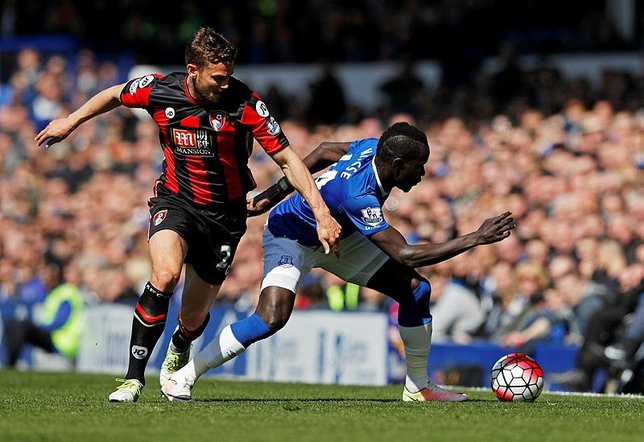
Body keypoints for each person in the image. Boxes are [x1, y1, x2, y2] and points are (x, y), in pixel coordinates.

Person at [35, 27, 341, 403]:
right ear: (192, 70)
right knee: (163, 276)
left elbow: (288, 160)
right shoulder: (160, 89)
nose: (226, 84)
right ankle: (132, 379)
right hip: (176, 201)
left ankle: (180, 344)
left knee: (193, 318)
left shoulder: (245, 102)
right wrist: (72, 120)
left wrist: (321, 213)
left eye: (229, 75)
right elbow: (115, 93)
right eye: (218, 77)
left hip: (225, 217)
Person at [162, 122, 516, 402]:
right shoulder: (358, 194)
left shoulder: (371, 147)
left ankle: (419, 387)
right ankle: (185, 375)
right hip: (291, 235)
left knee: (415, 290)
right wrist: (476, 238)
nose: (421, 175)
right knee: (272, 317)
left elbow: (323, 152)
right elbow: (406, 253)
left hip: (339, 239)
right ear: (397, 165)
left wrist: (270, 194)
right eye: (417, 167)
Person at [4, 265, 84, 368]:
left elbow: (60, 321)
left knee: (21, 326)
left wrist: (40, 328)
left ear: (55, 274)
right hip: (56, 339)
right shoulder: (54, 292)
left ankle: (10, 365)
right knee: (15, 324)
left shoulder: (67, 292)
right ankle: (11, 364)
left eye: (46, 275)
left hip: (62, 343)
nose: (44, 279)